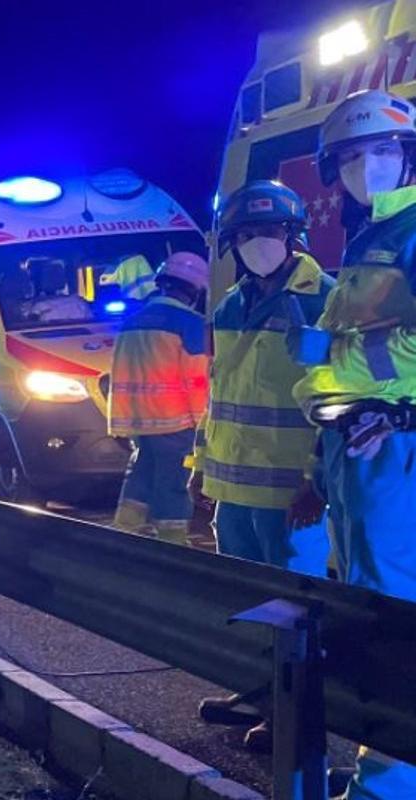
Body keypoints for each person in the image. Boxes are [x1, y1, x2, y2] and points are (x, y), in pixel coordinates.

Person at [294, 88, 416, 800]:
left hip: (392, 448)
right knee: (368, 602)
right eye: (348, 157)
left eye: (380, 151)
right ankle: (385, 766)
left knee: (389, 612)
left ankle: (391, 782)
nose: (364, 167)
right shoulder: (371, 238)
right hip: (358, 449)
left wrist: (336, 362)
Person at [190, 180, 334, 752]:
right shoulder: (230, 304)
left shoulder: (321, 299)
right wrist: (202, 467)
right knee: (247, 600)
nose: (258, 243)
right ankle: (254, 692)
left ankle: (292, 719)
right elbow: (219, 394)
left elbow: (331, 399)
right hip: (235, 488)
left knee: (296, 612)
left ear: (293, 235)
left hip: (292, 495)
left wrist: (317, 482)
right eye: (246, 234)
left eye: (269, 231)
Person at [108, 252, 210, 544]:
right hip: (175, 421)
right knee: (174, 483)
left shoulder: (131, 322)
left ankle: (124, 531)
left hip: (138, 421)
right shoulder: (190, 323)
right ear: (193, 289)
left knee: (141, 475)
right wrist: (202, 424)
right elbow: (197, 380)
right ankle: (173, 541)